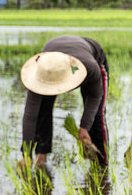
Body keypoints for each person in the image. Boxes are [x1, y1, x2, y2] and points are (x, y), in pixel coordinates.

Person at [20, 36, 108, 166]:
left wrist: (84, 127)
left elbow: (95, 97)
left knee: (96, 117)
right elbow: (30, 116)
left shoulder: (90, 67)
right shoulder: (40, 73)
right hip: (53, 55)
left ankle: (101, 165)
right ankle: (41, 160)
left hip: (89, 58)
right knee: (42, 109)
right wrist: (26, 154)